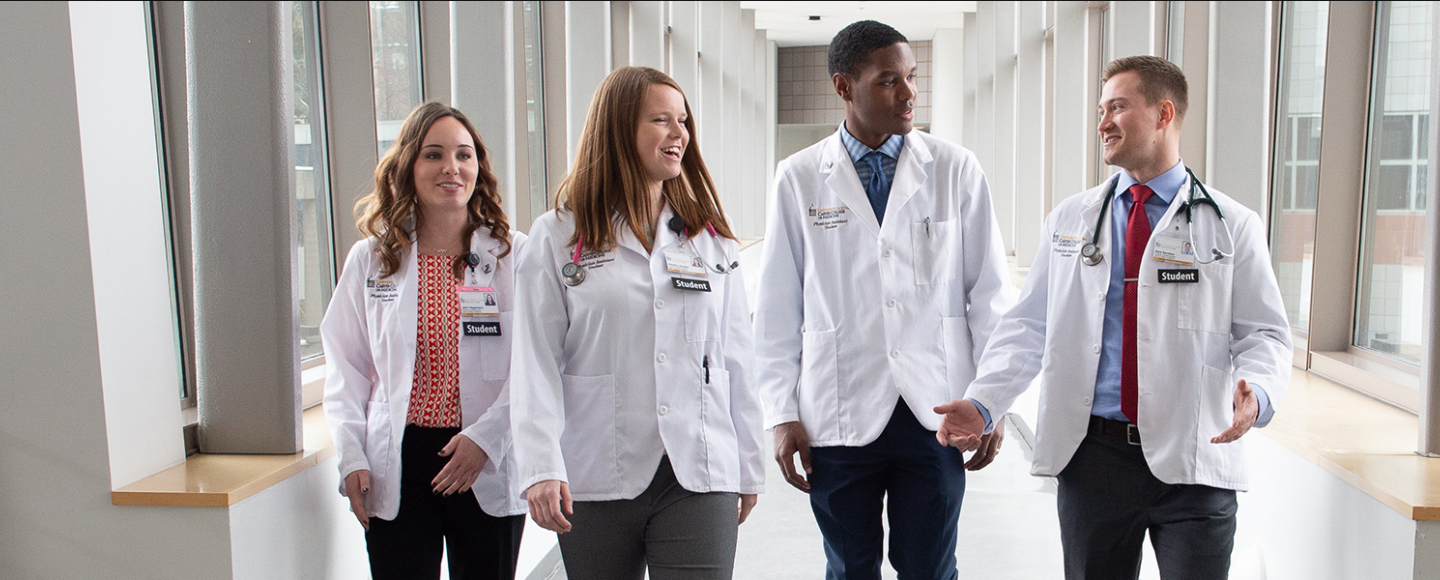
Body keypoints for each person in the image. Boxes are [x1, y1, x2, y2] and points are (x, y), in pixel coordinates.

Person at [936, 55, 1292, 579]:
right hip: (1094, 458)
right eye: (1101, 110)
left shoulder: (1231, 225)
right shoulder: (1071, 220)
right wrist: (985, 402)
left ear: (1163, 113)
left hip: (1194, 456)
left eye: (1118, 108)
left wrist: (1257, 393)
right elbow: (1029, 327)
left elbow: (1265, 333)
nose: (1103, 123)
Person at [753, 20, 1015, 580]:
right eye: (889, 80)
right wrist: (781, 412)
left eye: (912, 78)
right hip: (838, 411)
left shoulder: (954, 169)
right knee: (849, 569)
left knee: (931, 568)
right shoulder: (797, 178)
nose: (908, 93)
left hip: (936, 412)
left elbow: (989, 296)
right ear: (844, 87)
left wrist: (992, 402)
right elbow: (777, 307)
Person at [511, 66, 763, 580]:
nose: (679, 135)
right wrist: (540, 466)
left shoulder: (707, 238)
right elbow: (534, 361)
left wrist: (749, 460)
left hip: (699, 466)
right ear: (620, 129)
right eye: (661, 120)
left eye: (683, 121)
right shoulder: (558, 236)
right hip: (599, 470)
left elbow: (738, 355)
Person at [321, 101, 527, 580]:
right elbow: (346, 366)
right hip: (399, 459)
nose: (451, 168)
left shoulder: (513, 255)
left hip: (483, 454)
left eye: (464, 155)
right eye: (433, 155)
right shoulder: (373, 259)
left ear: (479, 167)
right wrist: (351, 454)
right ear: (409, 166)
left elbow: (537, 362)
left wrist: (487, 437)